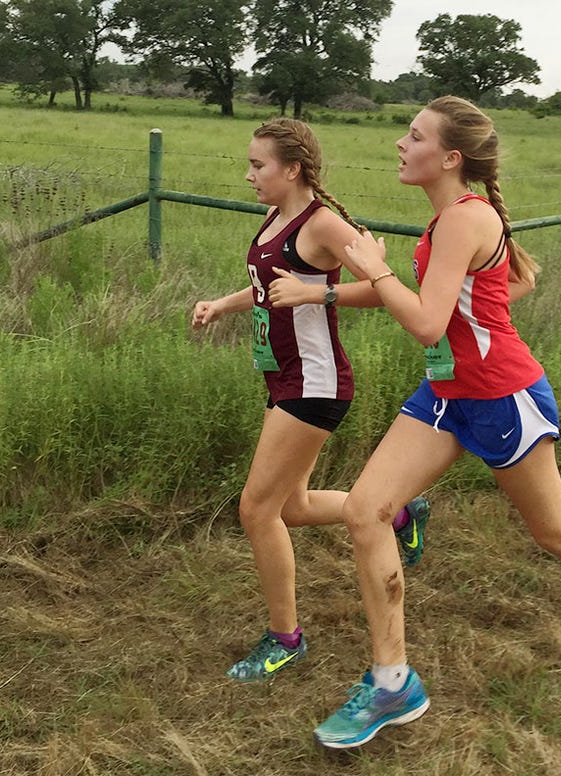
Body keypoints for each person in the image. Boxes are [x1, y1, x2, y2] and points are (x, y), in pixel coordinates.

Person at [280, 96, 561, 749]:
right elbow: (508, 281)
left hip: (502, 397)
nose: (399, 145)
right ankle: (392, 681)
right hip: (445, 393)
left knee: (555, 530)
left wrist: (373, 269)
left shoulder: (464, 221)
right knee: (364, 510)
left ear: (449, 158)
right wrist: (329, 289)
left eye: (412, 136)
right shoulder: (450, 222)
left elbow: (426, 322)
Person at [191, 117, 430, 684]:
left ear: (292, 169)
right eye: (249, 164)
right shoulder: (276, 215)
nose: (249, 174)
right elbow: (267, 284)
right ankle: (399, 514)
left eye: (258, 165)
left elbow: (384, 288)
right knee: (291, 508)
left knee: (257, 510)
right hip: (284, 379)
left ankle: (285, 638)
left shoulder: (322, 223)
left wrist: (316, 290)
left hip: (315, 385)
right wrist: (223, 306)